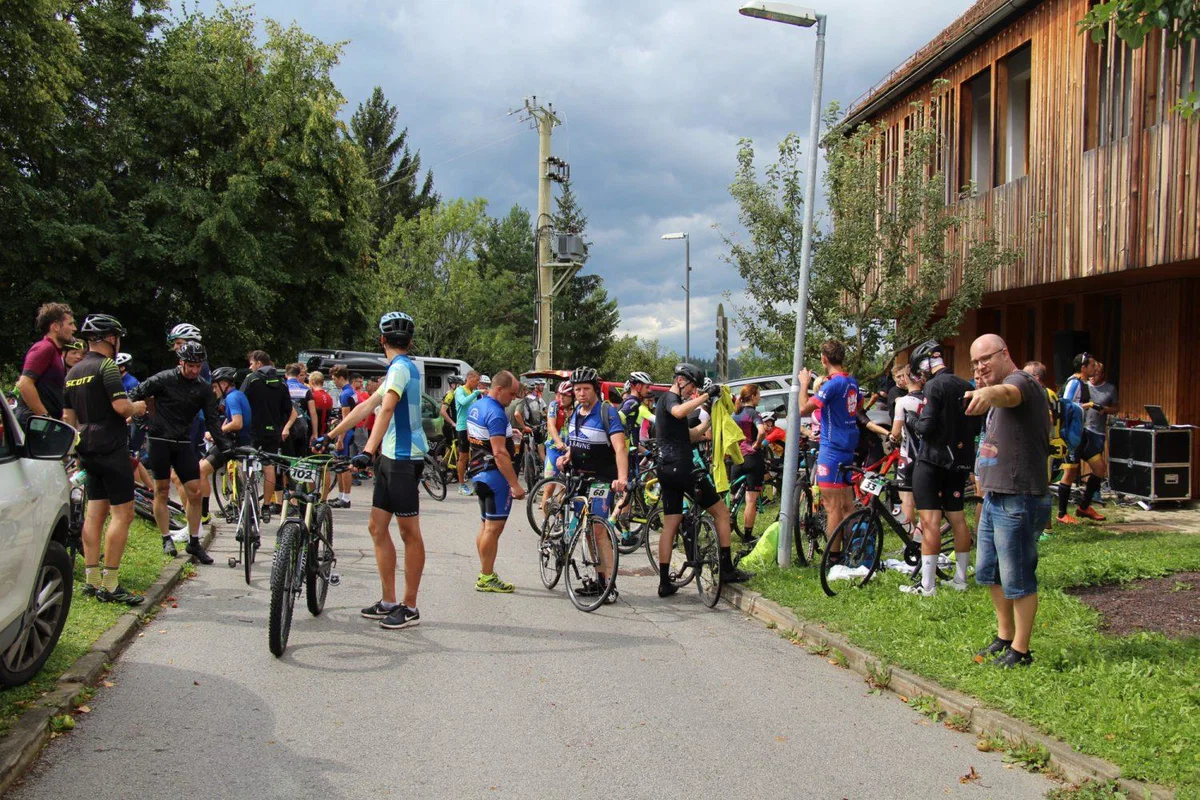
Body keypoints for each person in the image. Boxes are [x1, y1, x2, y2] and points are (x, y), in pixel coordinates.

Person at [326, 312, 428, 631]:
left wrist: (366, 451)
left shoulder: (400, 369)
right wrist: (330, 435)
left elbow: (385, 409)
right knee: (376, 526)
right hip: (389, 457)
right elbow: (366, 407)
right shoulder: (396, 370)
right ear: (408, 342)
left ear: (381, 340)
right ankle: (387, 601)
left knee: (409, 533)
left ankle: (409, 606)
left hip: (402, 459)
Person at [964, 334, 1050, 668]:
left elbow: (1007, 394)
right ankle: (1004, 636)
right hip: (994, 496)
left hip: (1020, 497)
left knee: (1018, 576)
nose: (980, 367)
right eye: (974, 363)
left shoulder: (1022, 382)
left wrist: (988, 392)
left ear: (1005, 353)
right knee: (992, 573)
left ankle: (1022, 650)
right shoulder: (998, 390)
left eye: (985, 359)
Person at [63, 314, 147, 605]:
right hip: (111, 448)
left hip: (85, 447)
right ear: (111, 339)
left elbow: (68, 418)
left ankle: (91, 578)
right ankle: (110, 584)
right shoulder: (108, 367)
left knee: (94, 513)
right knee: (123, 513)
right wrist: (138, 406)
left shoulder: (73, 372)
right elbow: (122, 407)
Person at [655, 363, 753, 598]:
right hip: (682, 468)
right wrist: (708, 394)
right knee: (721, 513)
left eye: (697, 389)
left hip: (665, 470)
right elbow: (679, 412)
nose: (693, 392)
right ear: (680, 381)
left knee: (671, 523)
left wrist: (710, 422)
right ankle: (727, 568)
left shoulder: (665, 404)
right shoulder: (670, 399)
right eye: (692, 387)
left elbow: (688, 435)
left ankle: (664, 583)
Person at [128, 341, 227, 563]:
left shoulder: (203, 388)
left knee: (194, 491)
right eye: (190, 365)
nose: (194, 370)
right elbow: (134, 394)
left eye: (198, 366)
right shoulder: (163, 379)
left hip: (183, 441)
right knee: (161, 489)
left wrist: (224, 444)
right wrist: (140, 418)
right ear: (180, 362)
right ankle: (166, 538)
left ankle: (194, 542)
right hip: (159, 440)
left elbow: (212, 420)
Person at [903, 339, 976, 596]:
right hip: (959, 462)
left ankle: (928, 585)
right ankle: (960, 579)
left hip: (932, 461)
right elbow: (974, 426)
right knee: (958, 519)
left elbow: (926, 426)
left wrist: (911, 420)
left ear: (925, 366)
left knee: (930, 521)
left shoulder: (934, 386)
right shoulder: (966, 384)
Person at [555, 366, 629, 602]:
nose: (581, 393)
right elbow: (575, 442)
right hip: (579, 478)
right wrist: (566, 455)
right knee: (586, 531)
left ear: (595, 389)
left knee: (598, 530)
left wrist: (622, 478)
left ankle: (608, 584)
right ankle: (598, 581)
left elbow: (620, 447)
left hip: (603, 480)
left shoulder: (607, 413)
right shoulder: (577, 412)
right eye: (577, 389)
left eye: (586, 389)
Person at [797, 341, 860, 562]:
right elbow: (856, 407)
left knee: (832, 507)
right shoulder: (852, 382)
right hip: (848, 447)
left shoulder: (832, 385)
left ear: (824, 359)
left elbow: (803, 408)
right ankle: (856, 551)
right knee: (847, 505)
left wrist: (804, 383)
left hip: (831, 449)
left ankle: (833, 558)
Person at [466, 371, 527, 594]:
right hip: (494, 475)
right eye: (511, 394)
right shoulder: (496, 413)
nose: (513, 398)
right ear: (499, 389)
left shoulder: (478, 405)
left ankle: (485, 572)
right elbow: (500, 453)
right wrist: (515, 485)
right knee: (493, 528)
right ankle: (486, 576)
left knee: (485, 525)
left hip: (478, 470)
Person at [240, 350, 297, 516]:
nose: (250, 367)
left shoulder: (251, 379)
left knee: (247, 464)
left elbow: (241, 401)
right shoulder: (281, 382)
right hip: (273, 432)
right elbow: (288, 409)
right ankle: (266, 505)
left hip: (252, 430)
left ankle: (248, 501)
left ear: (258, 363)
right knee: (269, 466)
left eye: (251, 364)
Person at [1057, 353, 1108, 523]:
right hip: (1070, 434)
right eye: (1092, 365)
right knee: (1070, 472)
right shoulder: (1074, 382)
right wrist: (1091, 405)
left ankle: (1084, 507)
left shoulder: (1084, 383)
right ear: (1083, 368)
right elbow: (1065, 405)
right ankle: (1061, 514)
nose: (1096, 368)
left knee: (1100, 467)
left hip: (1082, 433)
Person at [197, 367, 251, 524]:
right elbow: (230, 418)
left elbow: (237, 422)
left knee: (200, 471)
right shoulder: (238, 395)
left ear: (224, 383)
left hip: (232, 443)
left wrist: (217, 433)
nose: (214, 390)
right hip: (242, 440)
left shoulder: (231, 398)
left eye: (215, 386)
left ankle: (204, 513)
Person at [15, 302, 76, 429]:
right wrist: (45, 418)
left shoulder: (55, 352)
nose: (74, 328)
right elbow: (24, 384)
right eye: (70, 324)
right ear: (55, 327)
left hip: (43, 424)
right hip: (36, 424)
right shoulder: (44, 348)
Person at [889, 366, 927, 545]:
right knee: (927, 504)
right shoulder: (930, 399)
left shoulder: (902, 401)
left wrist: (891, 437)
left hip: (908, 456)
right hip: (928, 457)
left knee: (907, 502)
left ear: (906, 378)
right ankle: (923, 539)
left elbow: (896, 432)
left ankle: (910, 543)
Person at [731, 385, 768, 538]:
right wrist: (757, 444)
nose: (760, 397)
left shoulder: (735, 414)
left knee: (731, 498)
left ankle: (724, 529)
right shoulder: (754, 413)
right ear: (752, 396)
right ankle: (747, 536)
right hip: (753, 458)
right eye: (758, 395)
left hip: (737, 458)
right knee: (751, 500)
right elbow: (762, 431)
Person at [542, 380, 574, 515]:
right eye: (560, 394)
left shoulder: (577, 408)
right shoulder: (554, 405)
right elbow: (551, 425)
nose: (561, 398)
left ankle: (560, 512)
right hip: (554, 449)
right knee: (549, 488)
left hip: (570, 451)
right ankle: (545, 522)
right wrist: (558, 441)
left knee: (568, 487)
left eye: (565, 395)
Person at [329, 365, 357, 507]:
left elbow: (346, 420)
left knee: (344, 465)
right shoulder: (350, 391)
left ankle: (345, 498)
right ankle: (341, 495)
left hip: (346, 432)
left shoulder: (345, 394)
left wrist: (340, 438)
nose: (333, 381)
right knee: (340, 464)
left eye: (334, 378)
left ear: (341, 377)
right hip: (351, 430)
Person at [454, 371, 484, 494]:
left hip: (472, 428)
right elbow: (463, 402)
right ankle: (461, 485)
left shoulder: (472, 392)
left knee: (476, 455)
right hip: (462, 428)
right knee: (463, 457)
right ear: (469, 379)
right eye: (476, 381)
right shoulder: (460, 390)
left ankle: (476, 483)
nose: (478, 384)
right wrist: (477, 393)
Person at [284, 363, 318, 457]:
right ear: (298, 375)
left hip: (285, 428)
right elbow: (313, 413)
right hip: (302, 428)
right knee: (301, 458)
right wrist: (315, 433)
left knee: (286, 459)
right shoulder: (306, 390)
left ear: (286, 375)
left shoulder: (282, 387)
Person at [308, 371, 332, 439]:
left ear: (312, 382)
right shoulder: (329, 397)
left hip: (313, 432)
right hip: (325, 432)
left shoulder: (312, 396)